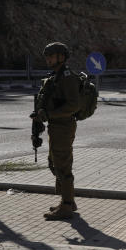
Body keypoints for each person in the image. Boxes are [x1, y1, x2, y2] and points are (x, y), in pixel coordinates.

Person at [31, 42, 81, 220]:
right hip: (56, 126)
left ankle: (67, 206)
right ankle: (68, 201)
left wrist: (50, 114)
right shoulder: (55, 76)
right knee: (55, 163)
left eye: (51, 56)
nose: (48, 59)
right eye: (47, 56)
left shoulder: (67, 77)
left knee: (62, 165)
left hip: (64, 126)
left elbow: (74, 105)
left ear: (61, 57)